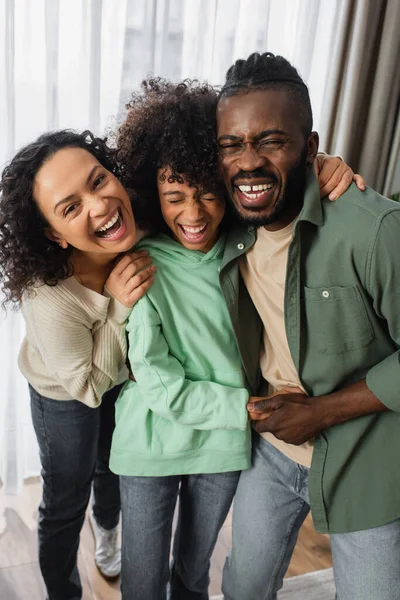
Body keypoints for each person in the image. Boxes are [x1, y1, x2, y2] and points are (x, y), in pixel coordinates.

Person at [108, 78, 363, 600]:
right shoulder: (141, 265)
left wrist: (324, 165)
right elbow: (155, 377)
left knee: (193, 572)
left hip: (224, 447)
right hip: (153, 445)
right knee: (141, 581)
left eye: (206, 193)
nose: (194, 213)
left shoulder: (244, 244)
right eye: (174, 197)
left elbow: (282, 193)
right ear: (153, 196)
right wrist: (244, 407)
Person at [213, 52, 400, 600]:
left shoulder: (374, 231)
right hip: (270, 452)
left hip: (368, 456)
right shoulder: (219, 219)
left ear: (311, 147)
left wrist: (320, 412)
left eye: (271, 140)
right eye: (231, 144)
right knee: (242, 587)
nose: (247, 162)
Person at [0, 130, 155, 600]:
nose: (100, 204)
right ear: (52, 234)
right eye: (70, 207)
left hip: (120, 377)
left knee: (112, 463)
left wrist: (326, 165)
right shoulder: (48, 295)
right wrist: (119, 305)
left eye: (99, 181)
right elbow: (86, 386)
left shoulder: (140, 217)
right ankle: (64, 592)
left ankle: (107, 529)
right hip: (63, 392)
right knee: (66, 500)